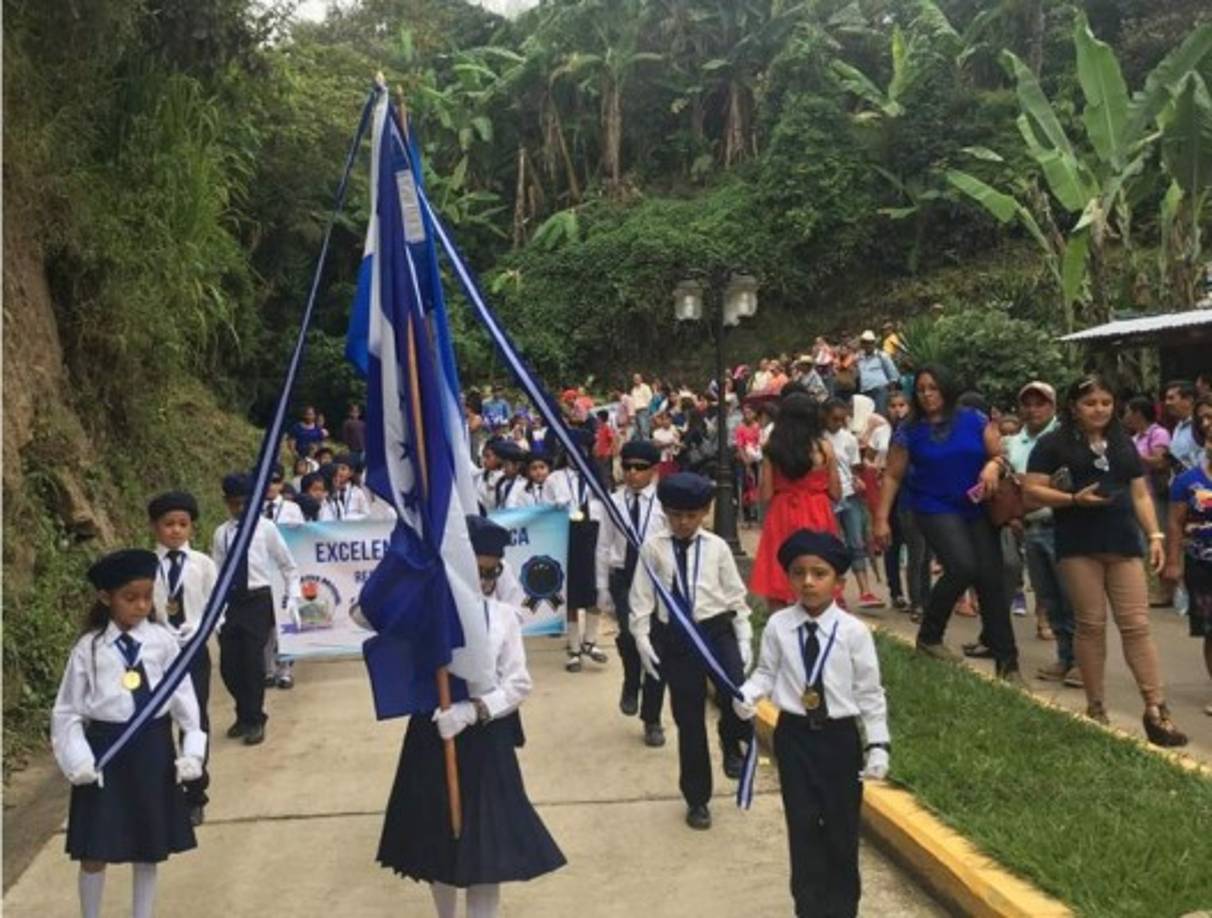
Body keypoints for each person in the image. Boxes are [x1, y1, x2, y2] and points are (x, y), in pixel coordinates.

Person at [377, 516, 566, 917]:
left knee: (487, 850)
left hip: (484, 738)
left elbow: (518, 684)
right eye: (475, 570)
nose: (483, 581)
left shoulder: (501, 617)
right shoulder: (425, 611)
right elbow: (368, 613)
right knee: (436, 843)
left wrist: (473, 710)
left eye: (492, 572)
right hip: (432, 734)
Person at [1023, 374, 1187, 745]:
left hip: (1123, 542)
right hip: (1078, 543)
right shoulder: (1053, 444)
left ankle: (1156, 709)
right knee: (1091, 625)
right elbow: (1031, 491)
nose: (1099, 410)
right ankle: (1096, 707)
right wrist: (1072, 501)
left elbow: (1140, 493)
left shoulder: (1122, 443)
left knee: (1136, 626)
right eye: (1090, 403)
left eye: (1106, 403)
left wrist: (1156, 535)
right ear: (1073, 407)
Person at [734, 530, 890, 918]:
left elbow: (870, 692)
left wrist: (878, 744)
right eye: (799, 572)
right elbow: (766, 672)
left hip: (839, 740)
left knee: (841, 829)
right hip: (794, 737)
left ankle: (842, 907)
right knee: (802, 827)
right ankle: (808, 907)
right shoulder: (779, 626)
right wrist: (747, 693)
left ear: (838, 583)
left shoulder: (854, 632)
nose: (808, 581)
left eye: (819, 573)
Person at [52, 549, 205, 918]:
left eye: (147, 596)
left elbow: (185, 699)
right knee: (94, 849)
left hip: (152, 749)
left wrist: (193, 750)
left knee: (147, 845)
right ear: (106, 598)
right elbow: (68, 710)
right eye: (130, 597)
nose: (141, 606)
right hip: (105, 752)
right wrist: (78, 759)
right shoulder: (89, 649)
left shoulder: (163, 643)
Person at [873, 365, 1021, 682]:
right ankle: (929, 636)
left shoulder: (974, 419)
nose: (927, 394)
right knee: (963, 566)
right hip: (932, 506)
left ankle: (1008, 666)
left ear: (947, 389)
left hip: (977, 505)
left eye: (934, 388)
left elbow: (999, 454)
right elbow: (893, 476)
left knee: (991, 581)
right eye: (922, 389)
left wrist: (993, 467)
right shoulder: (908, 431)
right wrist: (881, 519)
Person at [629, 473, 754, 830]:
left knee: (736, 695)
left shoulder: (716, 547)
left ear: (704, 512)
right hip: (677, 637)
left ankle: (731, 743)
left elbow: (734, 595)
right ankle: (697, 797)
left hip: (715, 630)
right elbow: (641, 597)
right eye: (676, 515)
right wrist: (642, 637)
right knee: (689, 719)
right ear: (666, 512)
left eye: (692, 515)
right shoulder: (653, 547)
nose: (683, 522)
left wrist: (743, 634)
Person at [212, 473, 301, 746]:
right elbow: (217, 571)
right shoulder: (221, 533)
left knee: (252, 661)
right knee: (229, 664)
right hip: (232, 601)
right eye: (234, 504)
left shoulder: (266, 529)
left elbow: (289, 565)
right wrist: (215, 611)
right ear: (227, 503)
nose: (240, 509)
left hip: (258, 599)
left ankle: (254, 719)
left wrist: (293, 596)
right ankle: (243, 711)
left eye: (245, 503)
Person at [147, 491, 218, 826]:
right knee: (156, 716)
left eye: (182, 524)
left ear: (191, 527)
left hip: (193, 650)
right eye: (168, 524)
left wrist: (202, 628)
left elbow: (218, 605)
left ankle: (194, 791)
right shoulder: (146, 565)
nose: (175, 531)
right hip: (157, 652)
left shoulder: (202, 564)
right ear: (154, 527)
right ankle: (162, 788)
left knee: (194, 717)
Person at [1002, 382, 1078, 684]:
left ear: (1053, 406)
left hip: (1062, 524)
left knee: (1071, 597)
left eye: (1040, 403)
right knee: (1048, 596)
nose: (1033, 409)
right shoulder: (1013, 443)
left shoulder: (1066, 439)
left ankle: (1082, 662)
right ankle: (1064, 657)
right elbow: (1011, 483)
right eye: (1027, 403)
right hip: (1029, 525)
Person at [750, 394, 841, 606]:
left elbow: (765, 495)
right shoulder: (824, 448)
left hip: (783, 512)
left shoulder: (773, 449)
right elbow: (836, 492)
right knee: (818, 565)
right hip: (817, 510)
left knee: (780, 570)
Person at [1164, 395, 1212, 716]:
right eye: (1205, 424)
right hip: (1203, 564)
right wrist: (1172, 561)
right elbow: (1175, 523)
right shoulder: (1188, 481)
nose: (1208, 427)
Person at [822, 398, 881, 608]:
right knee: (833, 544)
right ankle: (835, 590)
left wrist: (857, 479)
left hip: (849, 493)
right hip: (826, 496)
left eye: (841, 419)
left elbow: (854, 466)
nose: (837, 423)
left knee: (857, 542)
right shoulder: (818, 438)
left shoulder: (848, 439)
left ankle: (865, 590)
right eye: (834, 418)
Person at [855, 330, 899, 416]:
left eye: (870, 343)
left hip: (880, 391)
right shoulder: (860, 358)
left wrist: (891, 391)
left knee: (881, 417)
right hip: (865, 392)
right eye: (865, 342)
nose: (867, 345)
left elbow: (893, 374)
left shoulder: (882, 356)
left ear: (874, 343)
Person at [319, 453, 370, 521]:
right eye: (337, 469)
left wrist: (352, 518)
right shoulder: (329, 494)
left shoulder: (357, 492)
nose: (339, 472)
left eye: (343, 469)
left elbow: (367, 514)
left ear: (351, 472)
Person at [1166, 380, 1200, 471]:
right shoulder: (1178, 427)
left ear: (1189, 399)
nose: (1167, 403)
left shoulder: (1201, 426)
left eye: (1171, 398)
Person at [631, 373, 654, 438]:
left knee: (644, 430)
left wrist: (647, 410)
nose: (636, 380)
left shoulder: (646, 387)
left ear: (641, 379)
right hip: (636, 412)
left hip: (644, 410)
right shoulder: (633, 390)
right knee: (637, 431)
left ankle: (646, 446)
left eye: (637, 378)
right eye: (635, 378)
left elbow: (650, 399)